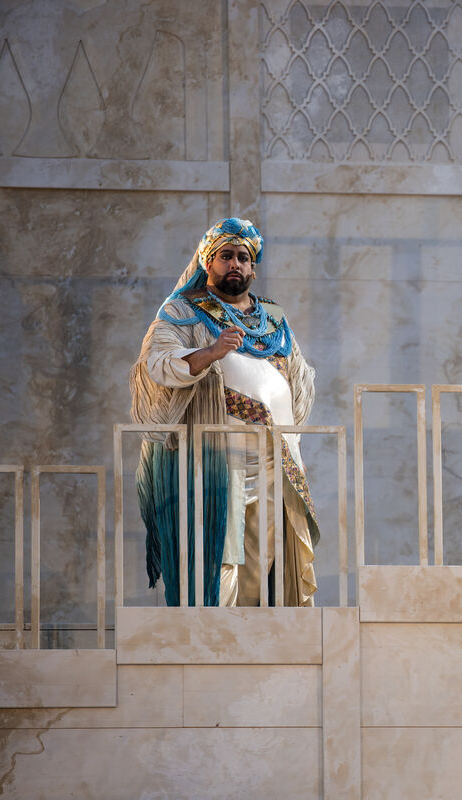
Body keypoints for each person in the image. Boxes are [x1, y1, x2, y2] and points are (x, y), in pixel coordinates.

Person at [130, 218, 319, 607]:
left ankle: (247, 644)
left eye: (244, 258)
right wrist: (211, 353)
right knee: (220, 553)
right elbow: (158, 362)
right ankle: (212, 641)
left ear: (253, 267)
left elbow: (298, 376)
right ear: (207, 261)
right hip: (218, 454)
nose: (236, 264)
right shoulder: (183, 310)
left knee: (265, 552)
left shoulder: (273, 316)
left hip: (275, 456)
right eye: (226, 256)